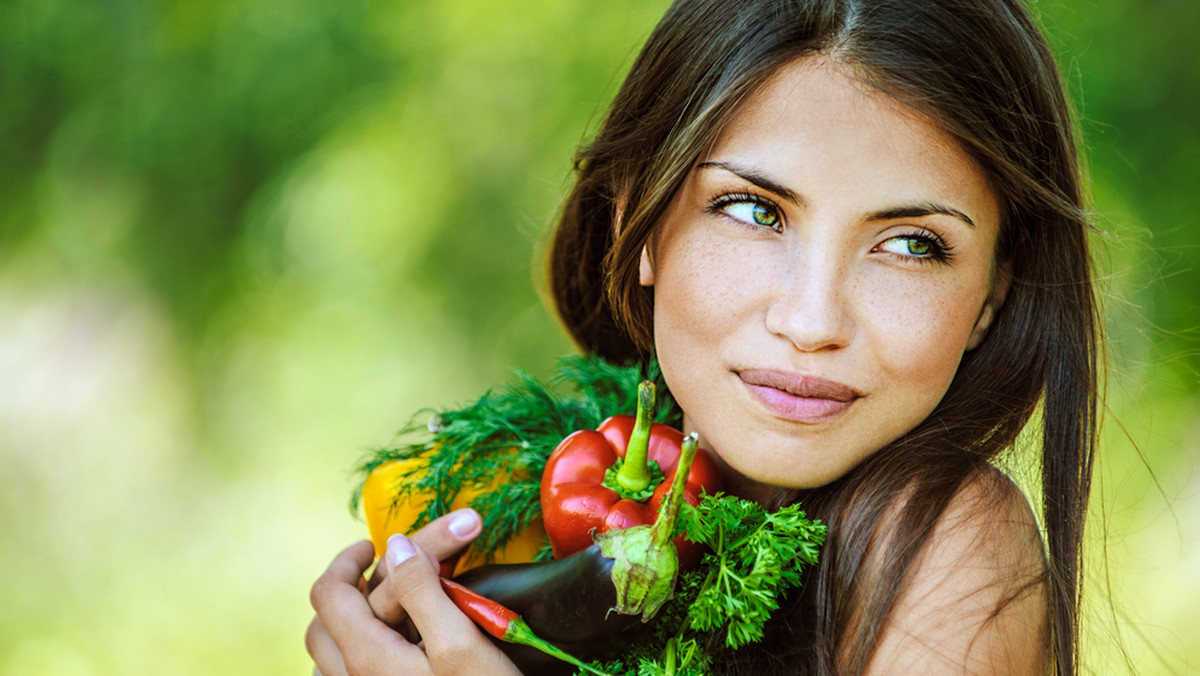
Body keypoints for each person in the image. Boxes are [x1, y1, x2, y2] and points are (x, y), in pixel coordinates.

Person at [306, 0, 1099, 673]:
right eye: (756, 211)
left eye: (910, 244)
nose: (813, 321)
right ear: (639, 226)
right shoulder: (549, 500)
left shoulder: (943, 534)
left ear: (992, 294)